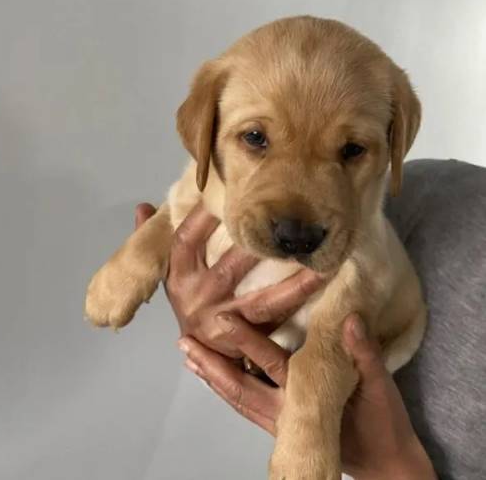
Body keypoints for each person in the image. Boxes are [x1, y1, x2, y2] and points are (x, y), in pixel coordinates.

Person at [135, 159, 486, 480]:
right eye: (257, 138)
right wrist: (221, 339)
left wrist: (392, 469)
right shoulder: (436, 187)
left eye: (348, 149)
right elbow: (278, 363)